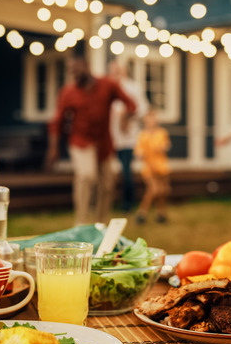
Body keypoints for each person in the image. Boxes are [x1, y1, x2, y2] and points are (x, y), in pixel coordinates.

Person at [46, 53, 137, 226]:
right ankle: (80, 222)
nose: (74, 74)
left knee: (108, 183)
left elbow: (131, 103)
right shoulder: (68, 92)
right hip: (80, 142)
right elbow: (57, 122)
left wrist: (126, 117)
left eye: (77, 69)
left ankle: (100, 224)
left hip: (104, 143)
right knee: (87, 175)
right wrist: (53, 148)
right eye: (71, 71)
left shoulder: (108, 85)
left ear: (86, 65)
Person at [108, 60, 149, 213]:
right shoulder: (107, 87)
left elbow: (143, 108)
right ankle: (109, 201)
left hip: (128, 138)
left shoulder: (133, 87)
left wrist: (127, 115)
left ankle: (128, 202)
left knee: (126, 171)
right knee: (108, 171)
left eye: (117, 70)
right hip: (110, 137)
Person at [134, 109, 170, 224]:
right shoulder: (143, 135)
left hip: (161, 166)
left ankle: (161, 213)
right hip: (149, 167)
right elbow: (138, 150)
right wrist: (140, 153)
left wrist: (162, 147)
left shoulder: (161, 133)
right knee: (153, 189)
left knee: (162, 191)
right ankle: (141, 213)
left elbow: (166, 145)